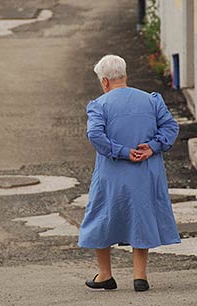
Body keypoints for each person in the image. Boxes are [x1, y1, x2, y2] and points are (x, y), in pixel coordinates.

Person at [78, 54, 181, 292]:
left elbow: (95, 135)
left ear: (104, 81)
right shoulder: (151, 100)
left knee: (102, 219)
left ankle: (105, 274)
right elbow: (170, 127)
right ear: (125, 76)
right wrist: (152, 147)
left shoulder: (100, 105)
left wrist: (122, 151)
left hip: (111, 173)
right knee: (141, 217)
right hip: (146, 171)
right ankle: (140, 276)